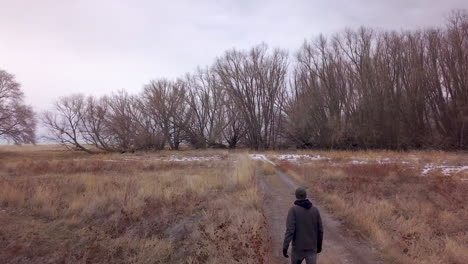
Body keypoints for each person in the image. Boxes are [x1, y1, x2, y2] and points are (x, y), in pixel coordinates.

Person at [283, 187, 323, 264]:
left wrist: (285, 246)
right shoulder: (315, 210)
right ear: (305, 195)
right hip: (312, 248)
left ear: (296, 196)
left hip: (298, 249)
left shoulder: (293, 210)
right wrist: (319, 246)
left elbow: (290, 231)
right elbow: (320, 230)